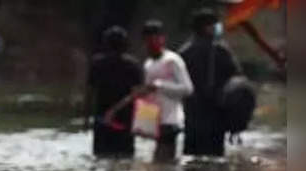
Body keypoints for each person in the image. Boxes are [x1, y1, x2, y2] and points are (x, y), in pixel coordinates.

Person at [180, 8, 242, 157]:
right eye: (214, 25)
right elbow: (237, 80)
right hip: (216, 116)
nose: (217, 28)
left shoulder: (184, 52)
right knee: (214, 159)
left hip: (192, 116)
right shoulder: (222, 51)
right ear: (206, 27)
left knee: (191, 158)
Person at [84, 25, 143, 157]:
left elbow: (90, 92)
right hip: (125, 121)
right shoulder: (133, 65)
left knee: (101, 157)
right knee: (125, 158)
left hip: (102, 120)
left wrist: (86, 118)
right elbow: (137, 95)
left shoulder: (97, 64)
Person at [140, 20, 194, 162]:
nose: (152, 43)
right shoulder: (148, 64)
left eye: (156, 38)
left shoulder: (173, 60)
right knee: (158, 162)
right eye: (148, 40)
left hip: (171, 121)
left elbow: (188, 89)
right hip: (154, 121)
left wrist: (161, 86)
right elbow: (148, 94)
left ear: (162, 39)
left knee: (165, 162)